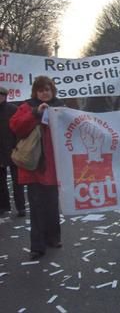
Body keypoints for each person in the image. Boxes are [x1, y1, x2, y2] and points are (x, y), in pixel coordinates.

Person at [9, 76, 63, 260]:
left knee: (52, 205)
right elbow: (16, 127)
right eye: (41, 90)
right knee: (37, 207)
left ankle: (53, 237)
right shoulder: (27, 107)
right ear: (35, 92)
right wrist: (35, 113)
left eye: (47, 89)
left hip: (55, 167)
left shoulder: (61, 107)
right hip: (36, 168)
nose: (45, 93)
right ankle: (37, 246)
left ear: (53, 91)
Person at [0, 86, 26, 217]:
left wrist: (18, 145)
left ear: (5, 96)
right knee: (1, 181)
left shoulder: (13, 109)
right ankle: (4, 206)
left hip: (14, 149)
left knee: (18, 180)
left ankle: (21, 207)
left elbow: (20, 129)